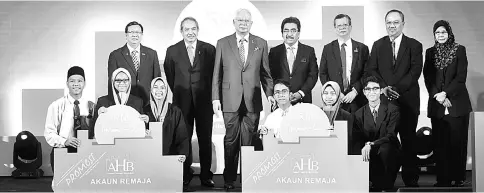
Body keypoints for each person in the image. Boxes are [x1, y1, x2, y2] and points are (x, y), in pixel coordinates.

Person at [211, 8, 275, 190]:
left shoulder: (261, 43)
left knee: (249, 141)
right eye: (240, 20)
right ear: (234, 22)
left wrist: (269, 94)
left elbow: (265, 73)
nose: (243, 23)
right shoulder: (222, 43)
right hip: (229, 99)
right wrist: (215, 98)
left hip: (252, 100)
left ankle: (248, 177)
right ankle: (229, 179)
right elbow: (217, 74)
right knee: (230, 140)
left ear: (251, 24)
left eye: (247, 21)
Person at [366, 9, 422, 187]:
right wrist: (384, 88)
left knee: (408, 141)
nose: (392, 25)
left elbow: (415, 72)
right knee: (385, 142)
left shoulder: (414, 45)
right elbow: (371, 70)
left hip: (408, 101)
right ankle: (385, 180)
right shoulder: (377, 45)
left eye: (396, 22)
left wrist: (395, 89)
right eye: (389, 22)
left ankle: (411, 181)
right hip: (385, 103)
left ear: (403, 24)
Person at [163, 17, 216, 187]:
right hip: (181, 103)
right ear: (181, 31)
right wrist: (182, 91)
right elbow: (170, 75)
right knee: (182, 140)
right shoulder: (172, 51)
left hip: (204, 102)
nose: (190, 32)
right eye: (187, 29)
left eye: (193, 29)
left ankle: (206, 176)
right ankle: (185, 174)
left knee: (205, 139)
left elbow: (215, 77)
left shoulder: (209, 49)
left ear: (198, 30)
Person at [423, 20, 472, 187]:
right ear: (434, 35)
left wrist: (446, 93)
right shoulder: (430, 52)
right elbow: (428, 77)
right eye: (437, 33)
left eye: (443, 32)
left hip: (457, 104)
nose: (440, 35)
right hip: (437, 105)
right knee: (440, 144)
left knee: (457, 143)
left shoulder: (459, 50)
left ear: (449, 33)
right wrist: (438, 95)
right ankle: (443, 178)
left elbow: (461, 77)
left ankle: (458, 177)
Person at [352, 75, 401, 192]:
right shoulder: (359, 114)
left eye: (375, 88)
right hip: (370, 153)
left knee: (385, 149)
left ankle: (385, 184)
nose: (372, 92)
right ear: (364, 92)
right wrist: (367, 145)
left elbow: (391, 135)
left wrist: (372, 144)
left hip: (388, 151)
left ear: (380, 91)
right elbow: (358, 138)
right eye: (368, 89)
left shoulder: (392, 109)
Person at [44, 66, 95, 172]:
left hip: (85, 154)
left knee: (84, 186)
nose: (76, 84)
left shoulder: (91, 106)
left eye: (79, 81)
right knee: (62, 187)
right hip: (62, 152)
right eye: (72, 81)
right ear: (67, 83)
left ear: (84, 83)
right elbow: (49, 134)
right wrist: (65, 141)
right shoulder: (56, 105)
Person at [320, 14, 369, 113]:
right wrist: (336, 92)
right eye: (339, 26)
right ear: (335, 28)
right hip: (335, 100)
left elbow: (367, 73)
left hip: (357, 98)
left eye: (345, 25)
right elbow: (323, 73)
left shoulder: (362, 48)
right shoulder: (328, 48)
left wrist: (355, 91)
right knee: (338, 127)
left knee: (357, 127)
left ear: (350, 27)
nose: (342, 28)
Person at [108, 21, 161, 106]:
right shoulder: (115, 55)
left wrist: (157, 102)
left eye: (138, 32)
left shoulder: (152, 54)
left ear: (142, 35)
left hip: (147, 103)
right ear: (126, 35)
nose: (135, 35)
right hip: (124, 103)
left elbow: (157, 80)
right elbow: (111, 82)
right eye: (131, 32)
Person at [268, 16, 318, 104]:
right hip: (280, 101)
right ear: (282, 33)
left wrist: (301, 93)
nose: (290, 34)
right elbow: (270, 76)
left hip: (303, 100)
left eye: (293, 31)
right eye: (286, 30)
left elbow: (313, 75)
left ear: (298, 33)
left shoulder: (308, 51)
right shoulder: (274, 52)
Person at [144, 77, 189, 163]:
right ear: (151, 90)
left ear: (167, 90)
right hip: (149, 159)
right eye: (155, 87)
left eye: (162, 87)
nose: (159, 90)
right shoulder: (144, 111)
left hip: (171, 159)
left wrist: (183, 153)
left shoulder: (175, 111)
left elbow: (182, 136)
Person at [93, 68, 148, 133]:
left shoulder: (138, 102)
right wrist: (99, 115)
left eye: (125, 80)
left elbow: (141, 126)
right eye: (118, 80)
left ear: (129, 81)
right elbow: (94, 128)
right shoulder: (102, 101)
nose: (122, 83)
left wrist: (146, 120)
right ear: (113, 81)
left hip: (130, 139)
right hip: (110, 139)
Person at [321, 81, 354, 154]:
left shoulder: (347, 116)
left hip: (340, 153)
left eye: (333, 93)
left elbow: (349, 141)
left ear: (338, 95)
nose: (329, 97)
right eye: (325, 93)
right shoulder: (316, 114)